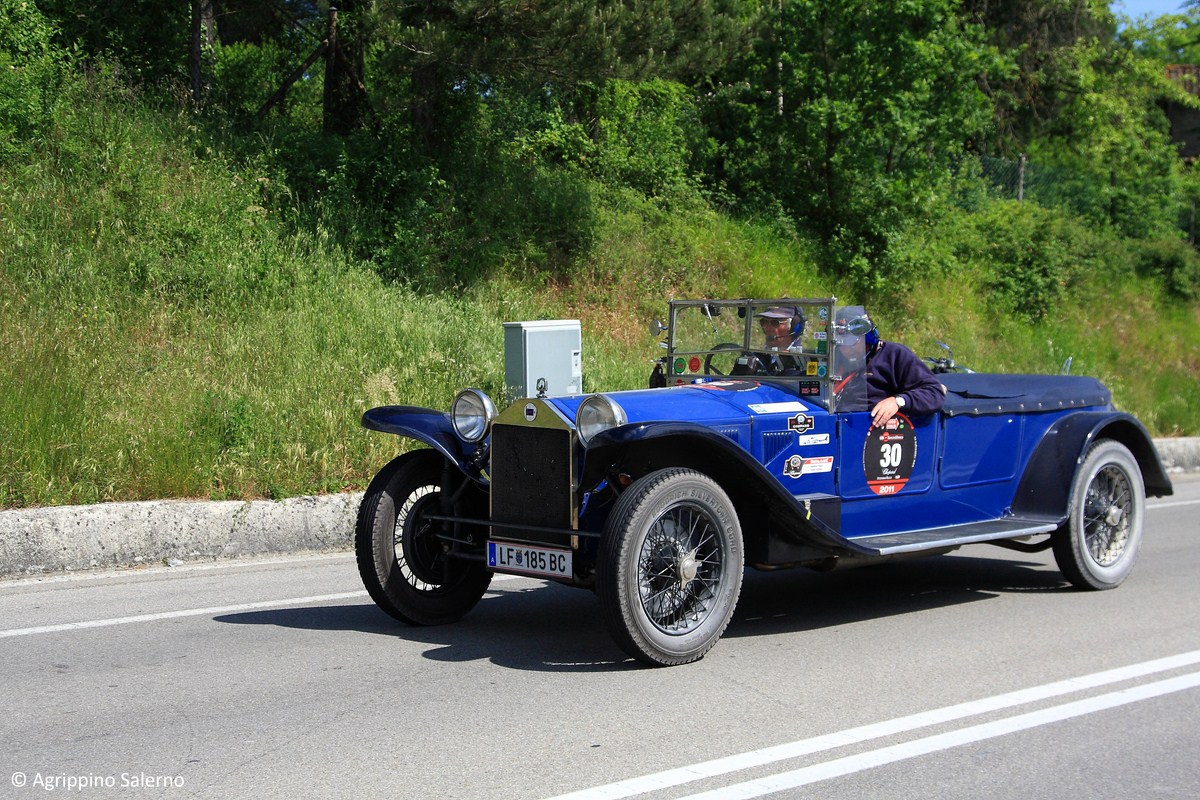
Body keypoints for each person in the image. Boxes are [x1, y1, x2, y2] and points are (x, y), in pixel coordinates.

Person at [832, 307, 944, 427]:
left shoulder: (894, 355)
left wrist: (898, 401)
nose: (845, 349)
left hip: (872, 432)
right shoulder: (834, 358)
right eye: (840, 343)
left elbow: (935, 392)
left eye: (851, 342)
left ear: (869, 336)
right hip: (836, 425)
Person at [754, 306, 806, 374]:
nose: (768, 328)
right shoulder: (756, 357)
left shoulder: (803, 362)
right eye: (764, 322)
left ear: (794, 327)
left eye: (775, 323)